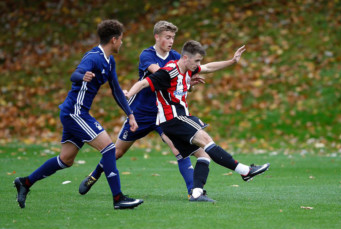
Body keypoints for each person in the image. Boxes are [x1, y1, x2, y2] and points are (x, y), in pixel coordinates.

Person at [14, 19, 144, 210]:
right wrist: (81, 76)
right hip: (75, 113)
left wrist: (130, 115)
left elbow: (116, 90)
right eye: (121, 40)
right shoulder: (93, 57)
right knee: (109, 149)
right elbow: (74, 74)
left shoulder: (109, 61)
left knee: (65, 160)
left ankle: (25, 183)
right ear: (114, 40)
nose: (122, 43)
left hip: (74, 113)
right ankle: (118, 198)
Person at [124, 40, 270, 202]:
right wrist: (128, 95)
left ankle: (196, 194)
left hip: (178, 119)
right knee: (207, 140)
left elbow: (209, 67)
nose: (198, 65)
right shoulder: (169, 71)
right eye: (196, 61)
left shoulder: (187, 69)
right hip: (173, 119)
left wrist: (232, 61)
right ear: (185, 58)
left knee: (204, 155)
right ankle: (245, 171)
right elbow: (144, 82)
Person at [79, 20, 198, 197]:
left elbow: (180, 83)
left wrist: (189, 83)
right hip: (141, 112)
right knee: (117, 152)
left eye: (173, 37)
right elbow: (161, 74)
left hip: (163, 113)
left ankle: (192, 192)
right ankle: (95, 174)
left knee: (178, 149)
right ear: (157, 37)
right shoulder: (147, 55)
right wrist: (181, 77)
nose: (171, 41)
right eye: (167, 37)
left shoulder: (175, 57)